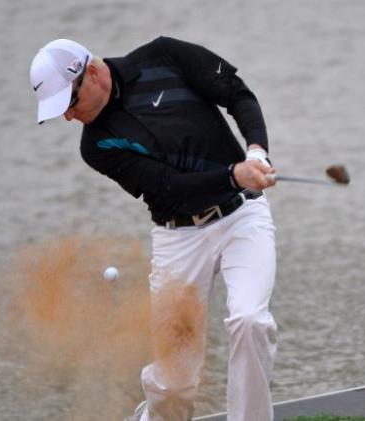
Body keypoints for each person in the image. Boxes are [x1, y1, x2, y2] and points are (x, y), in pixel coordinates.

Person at [29, 37, 278, 421]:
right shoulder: (96, 145)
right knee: (174, 380)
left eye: (70, 104)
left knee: (249, 322)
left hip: (242, 217)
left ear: (91, 72)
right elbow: (168, 187)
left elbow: (237, 94)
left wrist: (256, 153)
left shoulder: (165, 56)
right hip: (179, 237)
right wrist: (234, 175)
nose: (67, 116)